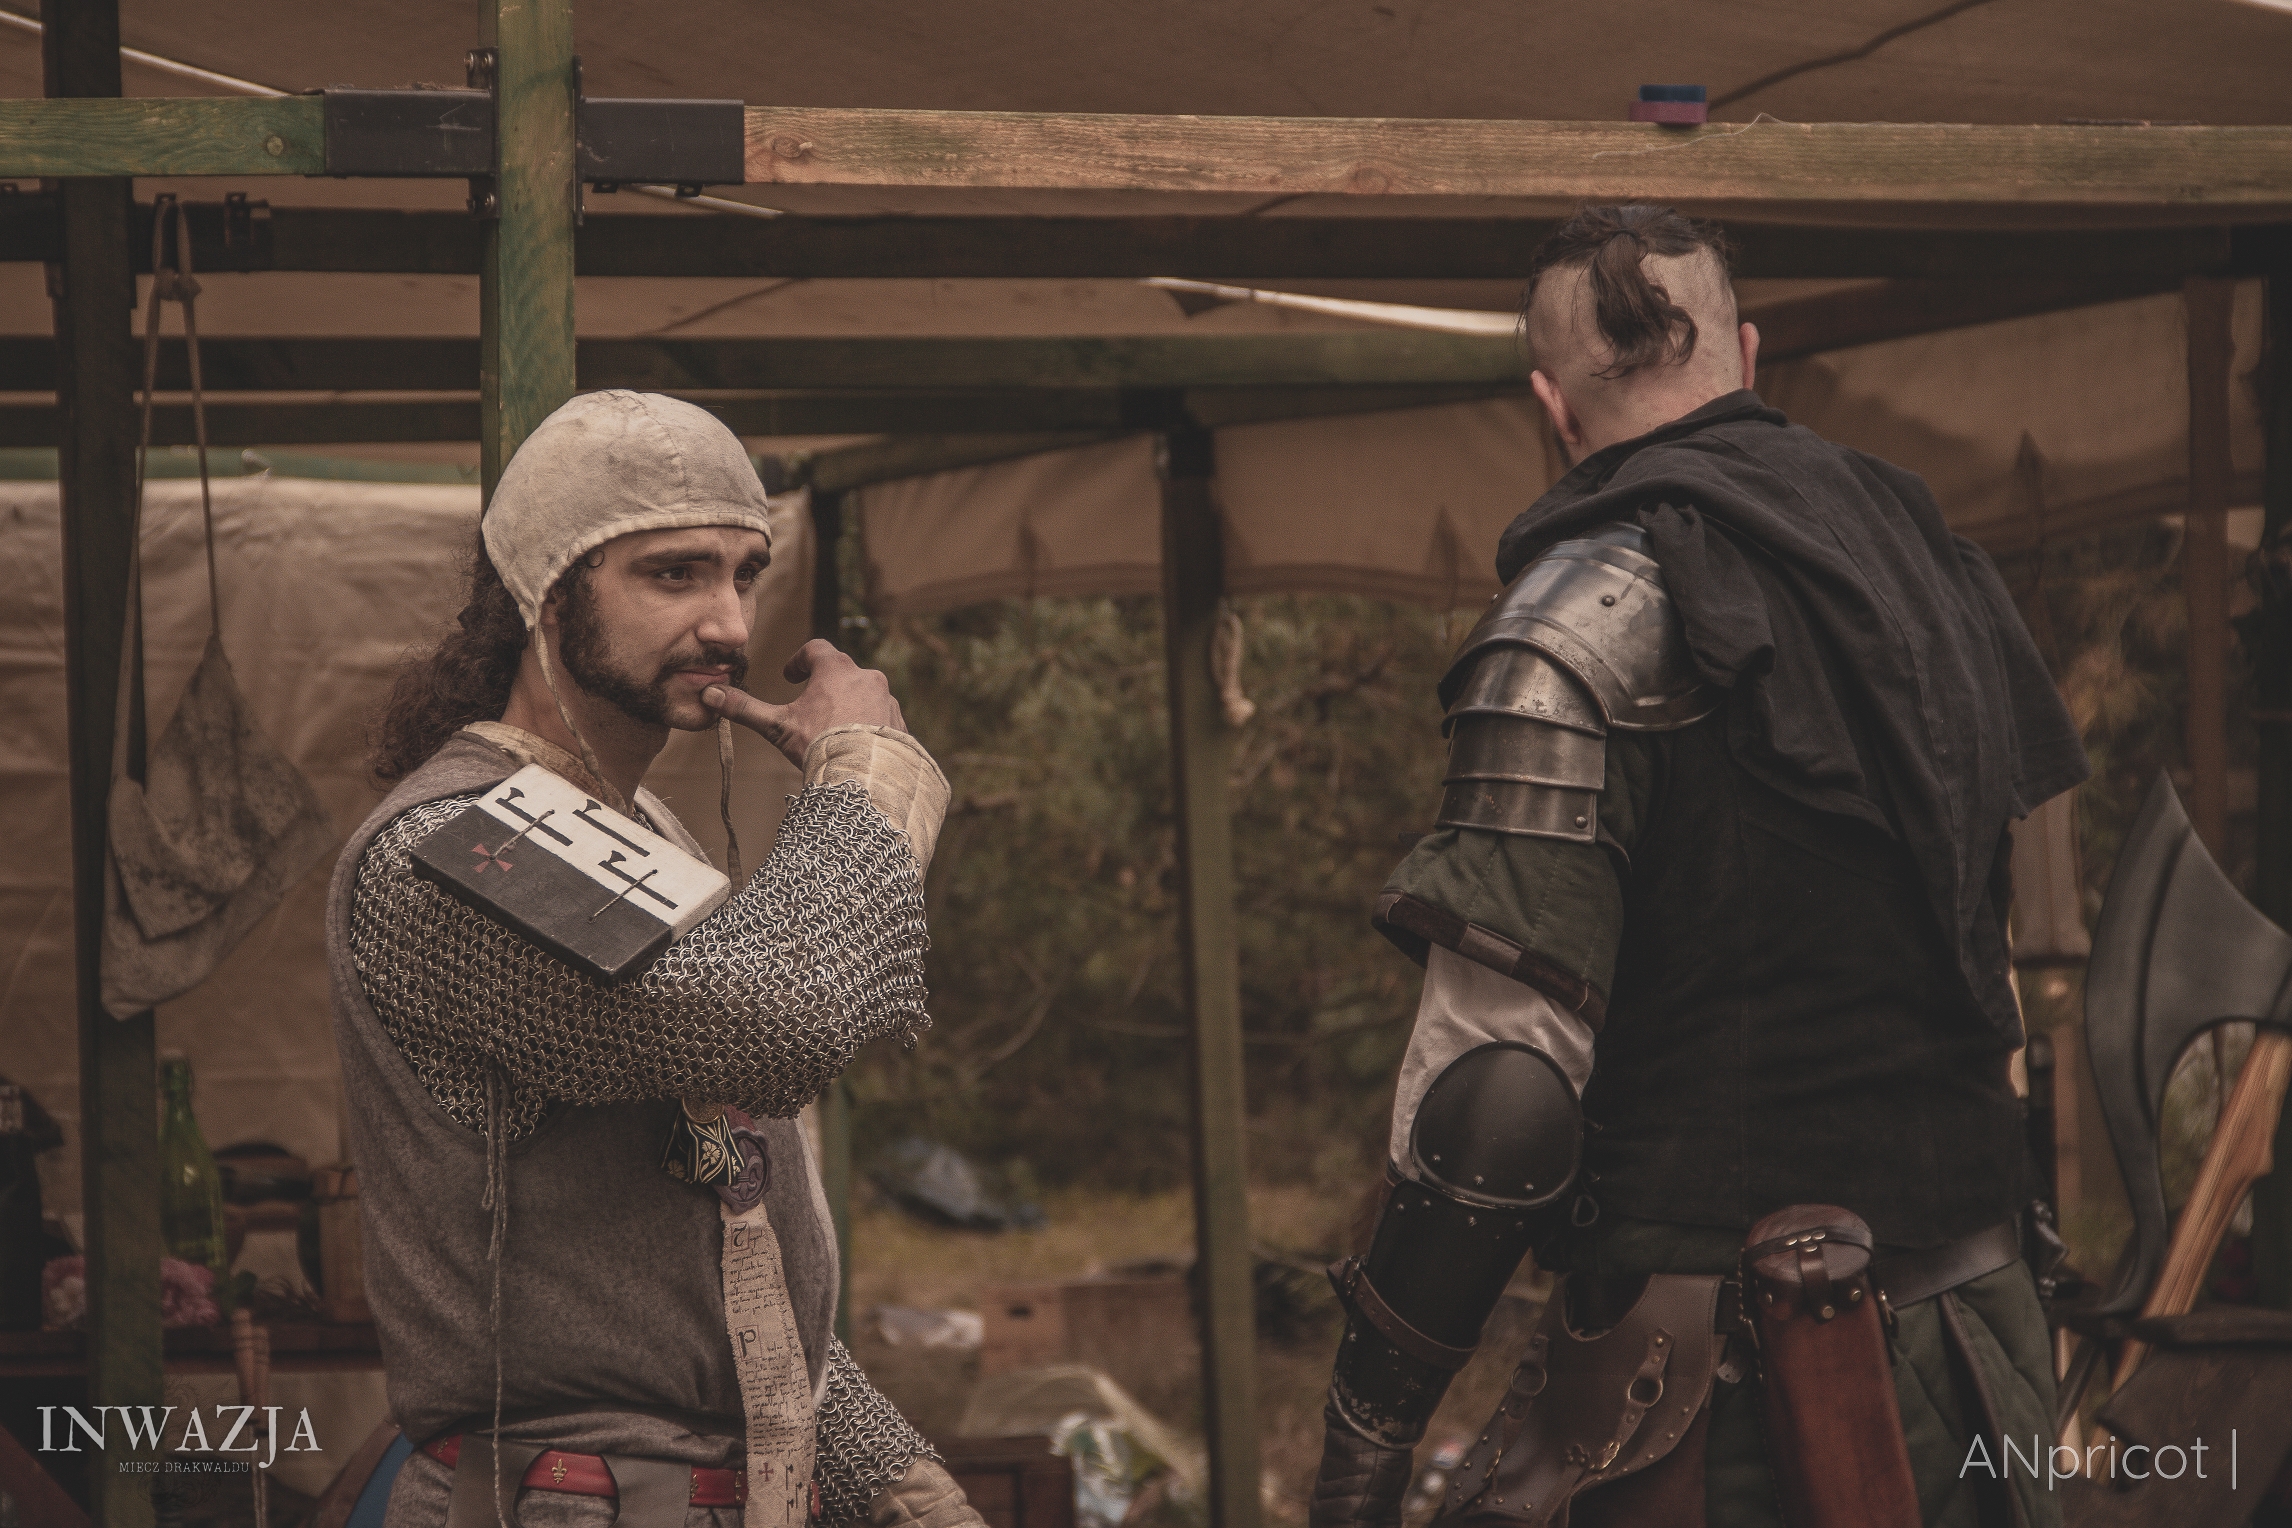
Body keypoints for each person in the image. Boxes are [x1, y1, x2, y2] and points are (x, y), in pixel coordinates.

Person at [1308, 207, 2088, 1528]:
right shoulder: (1947, 585)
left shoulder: (1574, 631)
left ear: (1551, 405)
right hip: (1981, 1352)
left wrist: (1362, 1453)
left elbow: (1501, 1101)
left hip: (1719, 1396)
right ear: (1749, 353)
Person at [329, 390, 978, 1528]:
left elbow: (721, 1237)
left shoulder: (639, 838)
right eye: (675, 575)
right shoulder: (459, 845)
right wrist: (866, 774)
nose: (729, 624)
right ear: (547, 592)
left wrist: (894, 1487)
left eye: (744, 576)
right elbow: (773, 1022)